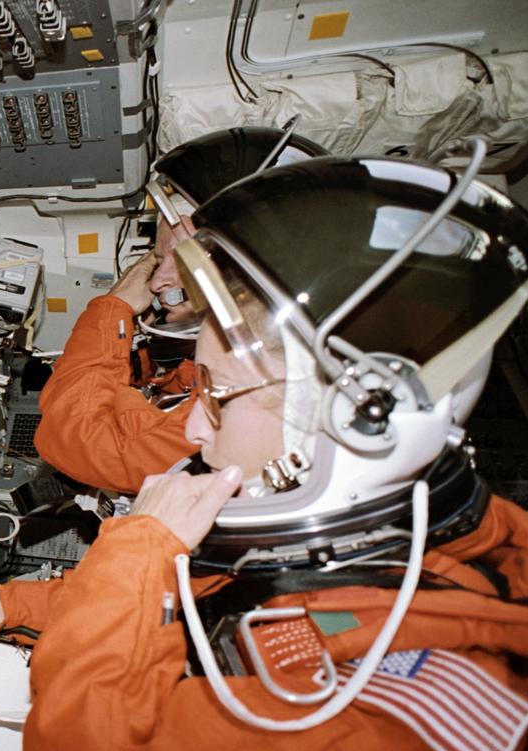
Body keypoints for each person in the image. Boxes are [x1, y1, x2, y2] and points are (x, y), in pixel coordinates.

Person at [0, 152, 528, 751]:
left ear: (352, 421)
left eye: (220, 398)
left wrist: (130, 557)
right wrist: (10, 605)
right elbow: (200, 591)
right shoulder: (407, 540)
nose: (195, 428)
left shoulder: (351, 727)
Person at [33, 126, 328, 494]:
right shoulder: (270, 350)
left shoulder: (260, 381)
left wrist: (114, 308)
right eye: (157, 260)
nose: (157, 282)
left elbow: (79, 443)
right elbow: (173, 391)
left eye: (180, 261)